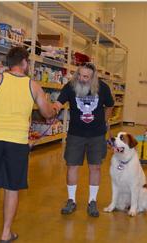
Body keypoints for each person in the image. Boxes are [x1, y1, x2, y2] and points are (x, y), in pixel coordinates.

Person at [0, 46, 60, 242]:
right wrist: (54, 109)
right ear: (25, 63)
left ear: (8, 64)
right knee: (12, 188)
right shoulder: (33, 85)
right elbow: (46, 113)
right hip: (17, 142)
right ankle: (5, 233)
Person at [55, 62, 114, 217]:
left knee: (95, 167)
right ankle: (71, 200)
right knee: (72, 166)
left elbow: (110, 105)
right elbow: (59, 102)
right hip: (76, 134)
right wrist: (53, 108)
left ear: (93, 77)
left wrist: (105, 122)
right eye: (79, 74)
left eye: (86, 76)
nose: (81, 78)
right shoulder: (70, 86)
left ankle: (92, 201)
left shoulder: (103, 88)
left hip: (97, 134)